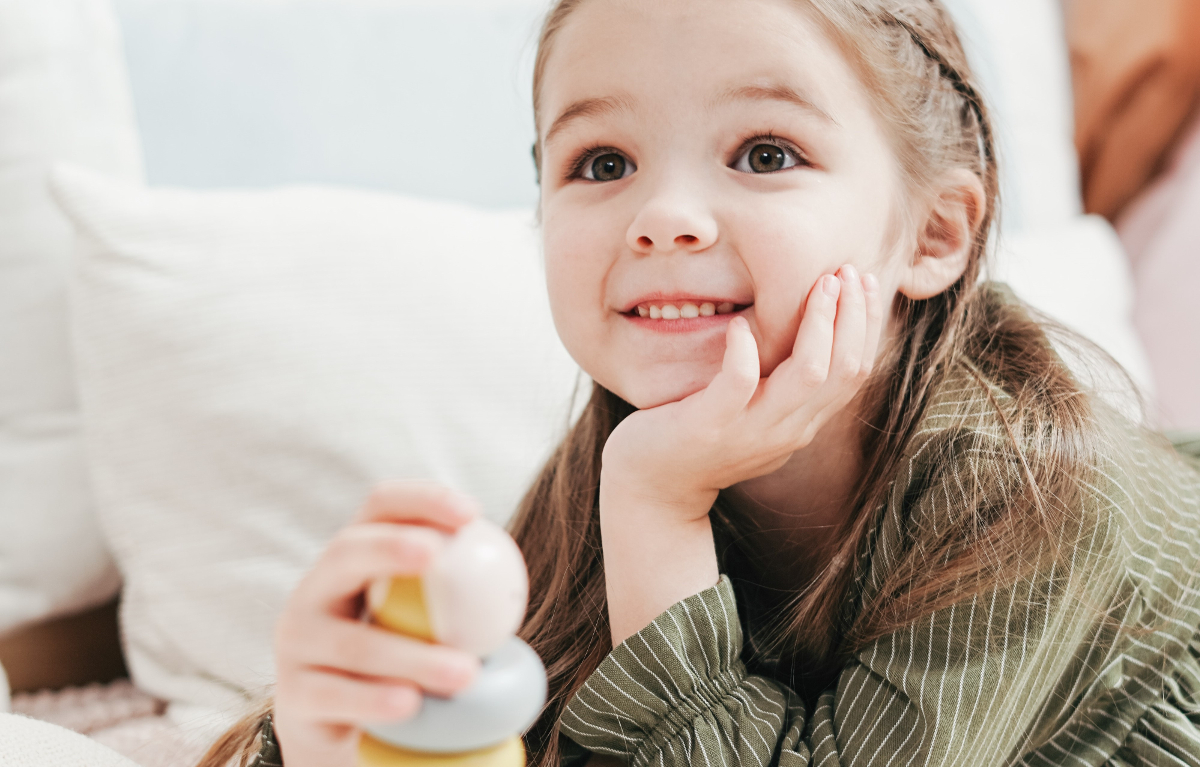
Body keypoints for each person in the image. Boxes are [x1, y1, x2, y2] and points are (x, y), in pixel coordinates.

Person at [197, 1, 1200, 765]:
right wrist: (333, 720)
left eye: (765, 153)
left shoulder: (1032, 498)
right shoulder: (634, 450)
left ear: (934, 234)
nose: (664, 214)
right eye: (601, 162)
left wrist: (654, 513)